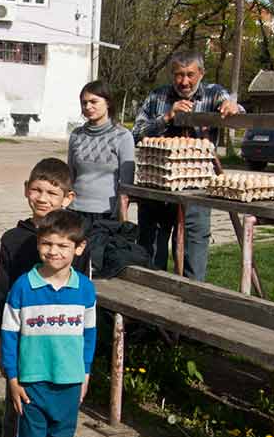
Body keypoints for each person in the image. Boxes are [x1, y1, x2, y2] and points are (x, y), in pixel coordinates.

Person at [0, 158, 90, 437]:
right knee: (17, 403)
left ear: (68, 199)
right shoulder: (13, 240)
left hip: (61, 345)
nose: (43, 198)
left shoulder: (75, 241)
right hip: (20, 339)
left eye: (52, 193)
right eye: (37, 190)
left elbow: (85, 295)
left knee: (55, 414)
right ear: (26, 191)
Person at [0, 209, 96, 437]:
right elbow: (9, 337)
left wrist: (85, 374)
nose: (53, 251)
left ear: (78, 249)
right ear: (38, 244)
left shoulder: (85, 289)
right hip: (32, 383)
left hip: (68, 383)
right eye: (46, 244)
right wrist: (12, 378)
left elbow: (90, 335)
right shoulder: (23, 288)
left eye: (62, 246)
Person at [131, 49, 242, 281]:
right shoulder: (158, 97)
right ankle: (152, 300)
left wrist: (234, 108)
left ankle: (192, 300)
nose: (184, 81)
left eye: (190, 74)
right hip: (158, 187)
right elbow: (136, 133)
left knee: (195, 246)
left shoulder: (213, 94)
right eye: (179, 75)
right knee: (152, 248)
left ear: (201, 73)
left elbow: (234, 108)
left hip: (198, 188)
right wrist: (167, 118)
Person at [67, 80, 135, 228]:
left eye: (93, 102)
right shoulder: (76, 135)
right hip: (75, 210)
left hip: (106, 214)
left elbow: (126, 184)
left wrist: (121, 214)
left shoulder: (123, 136)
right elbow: (70, 174)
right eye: (84, 103)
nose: (88, 107)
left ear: (108, 102)